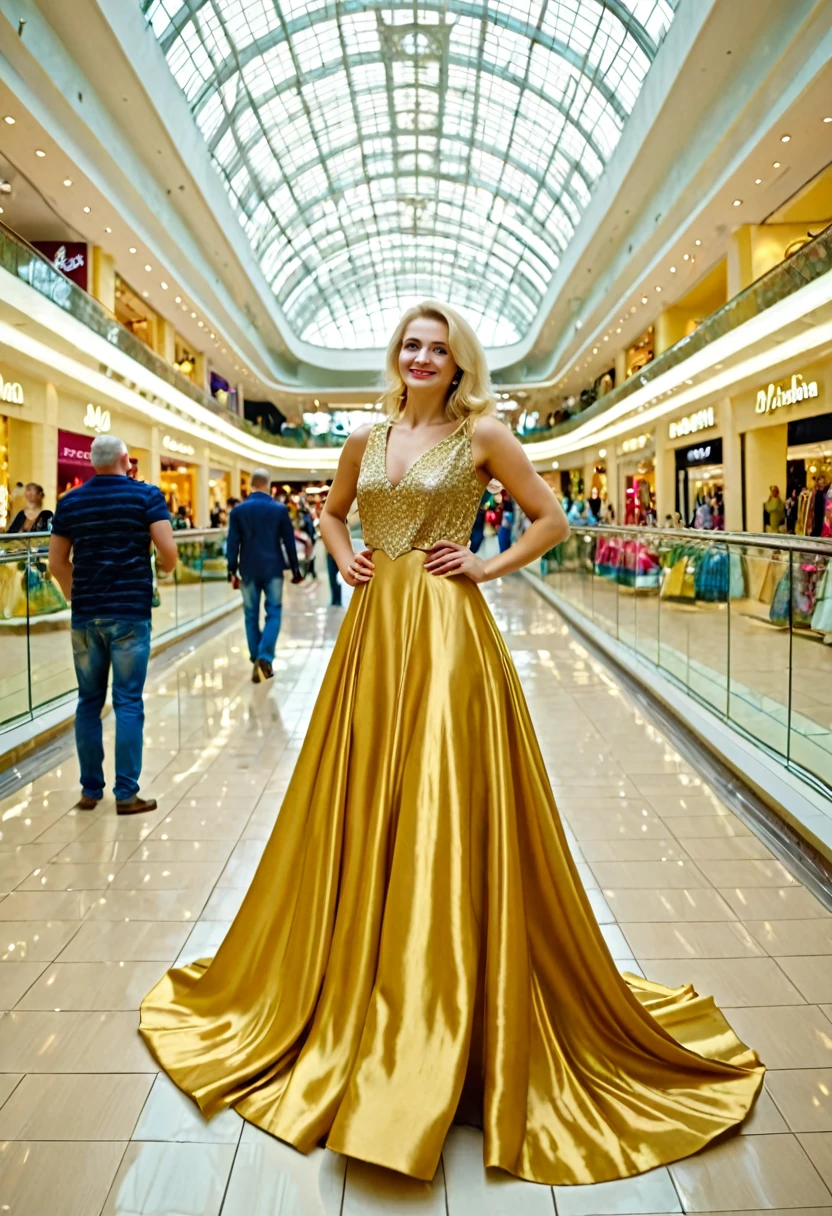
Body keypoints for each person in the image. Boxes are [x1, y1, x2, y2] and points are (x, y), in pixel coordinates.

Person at [140, 302, 762, 1186]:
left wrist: (485, 564)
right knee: (365, 793)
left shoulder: (486, 434)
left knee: (441, 799)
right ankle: (366, 975)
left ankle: (441, 1004)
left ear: (458, 361)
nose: (423, 356)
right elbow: (333, 514)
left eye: (438, 347)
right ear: (396, 357)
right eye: (411, 345)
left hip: (447, 635)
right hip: (374, 637)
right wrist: (343, 548)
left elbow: (551, 520)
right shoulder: (364, 435)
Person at [48, 435, 177, 814]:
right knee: (127, 702)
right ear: (125, 459)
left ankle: (90, 791)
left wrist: (79, 597)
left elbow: (57, 562)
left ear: (92, 463)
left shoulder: (70, 502)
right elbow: (168, 553)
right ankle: (125, 794)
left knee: (88, 701)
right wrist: (162, 571)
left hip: (86, 616)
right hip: (130, 615)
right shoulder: (146, 496)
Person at [225, 468, 302, 683]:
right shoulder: (278, 510)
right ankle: (265, 656)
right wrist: (296, 569)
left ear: (251, 485)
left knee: (250, 615)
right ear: (268, 485)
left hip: (248, 569)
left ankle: (256, 658)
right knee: (274, 611)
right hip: (273, 569)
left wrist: (231, 569)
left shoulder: (238, 512)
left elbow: (232, 544)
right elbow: (289, 542)